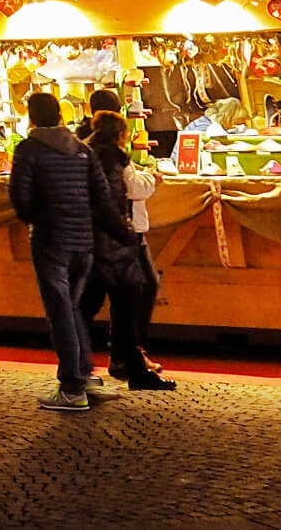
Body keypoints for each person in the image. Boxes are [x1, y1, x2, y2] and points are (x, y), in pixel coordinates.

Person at [9, 90, 134, 412]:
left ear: (31, 118)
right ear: (61, 117)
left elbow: (20, 198)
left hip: (51, 241)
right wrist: (125, 234)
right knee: (73, 308)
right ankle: (84, 374)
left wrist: (39, 218)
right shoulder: (82, 150)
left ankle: (72, 387)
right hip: (84, 243)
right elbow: (102, 200)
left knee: (60, 311)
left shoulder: (28, 150)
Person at [84, 112, 173, 391]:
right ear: (121, 135)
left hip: (98, 242)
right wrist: (125, 234)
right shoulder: (112, 160)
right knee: (127, 299)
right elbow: (112, 200)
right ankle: (123, 365)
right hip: (115, 243)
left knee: (101, 304)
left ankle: (118, 363)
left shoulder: (86, 153)